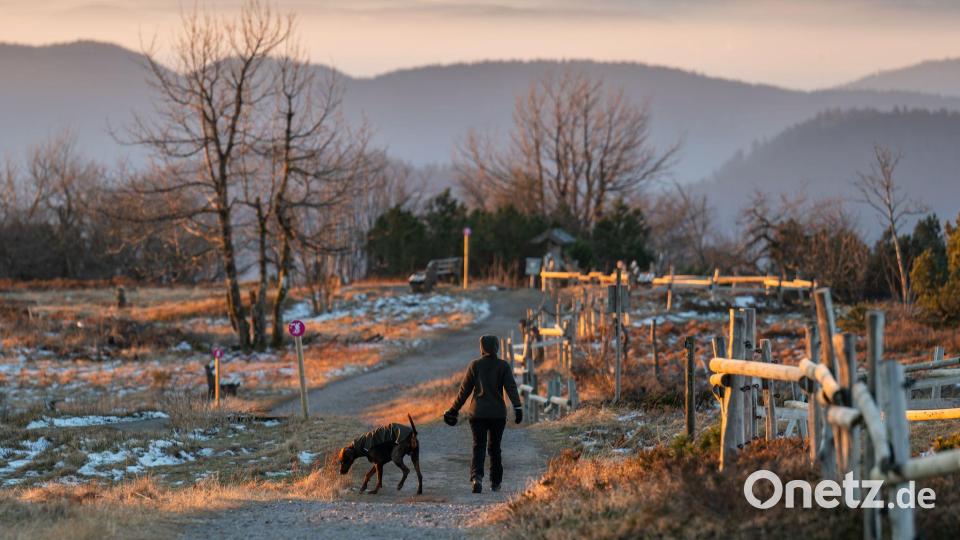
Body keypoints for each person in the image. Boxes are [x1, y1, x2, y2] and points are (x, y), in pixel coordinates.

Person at [444, 335, 522, 493]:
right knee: (495, 448)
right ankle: (496, 483)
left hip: (477, 413)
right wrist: (518, 407)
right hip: (497, 415)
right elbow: (511, 388)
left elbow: (464, 391)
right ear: (496, 347)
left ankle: (476, 478)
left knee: (478, 446)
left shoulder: (475, 365)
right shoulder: (503, 366)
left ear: (482, 348)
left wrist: (453, 410)